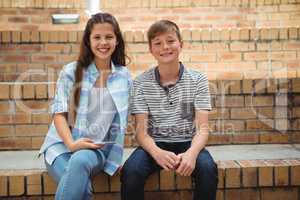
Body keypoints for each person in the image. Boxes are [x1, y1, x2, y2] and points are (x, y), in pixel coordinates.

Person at [121, 20, 218, 200]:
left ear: (181, 44)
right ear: (151, 50)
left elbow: (202, 129)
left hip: (189, 142)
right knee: (131, 171)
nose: (165, 47)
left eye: (170, 41)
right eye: (158, 43)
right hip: (154, 144)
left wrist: (191, 154)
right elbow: (141, 133)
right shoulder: (141, 83)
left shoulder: (198, 80)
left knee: (207, 169)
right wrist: (157, 153)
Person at [39, 12, 131, 200]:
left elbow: (129, 117)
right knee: (83, 189)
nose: (103, 42)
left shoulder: (124, 76)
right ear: (88, 41)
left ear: (117, 41)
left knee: (80, 161)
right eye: (97, 37)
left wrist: (116, 155)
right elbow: (59, 113)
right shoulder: (72, 71)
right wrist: (72, 144)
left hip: (95, 150)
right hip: (61, 148)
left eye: (109, 37)